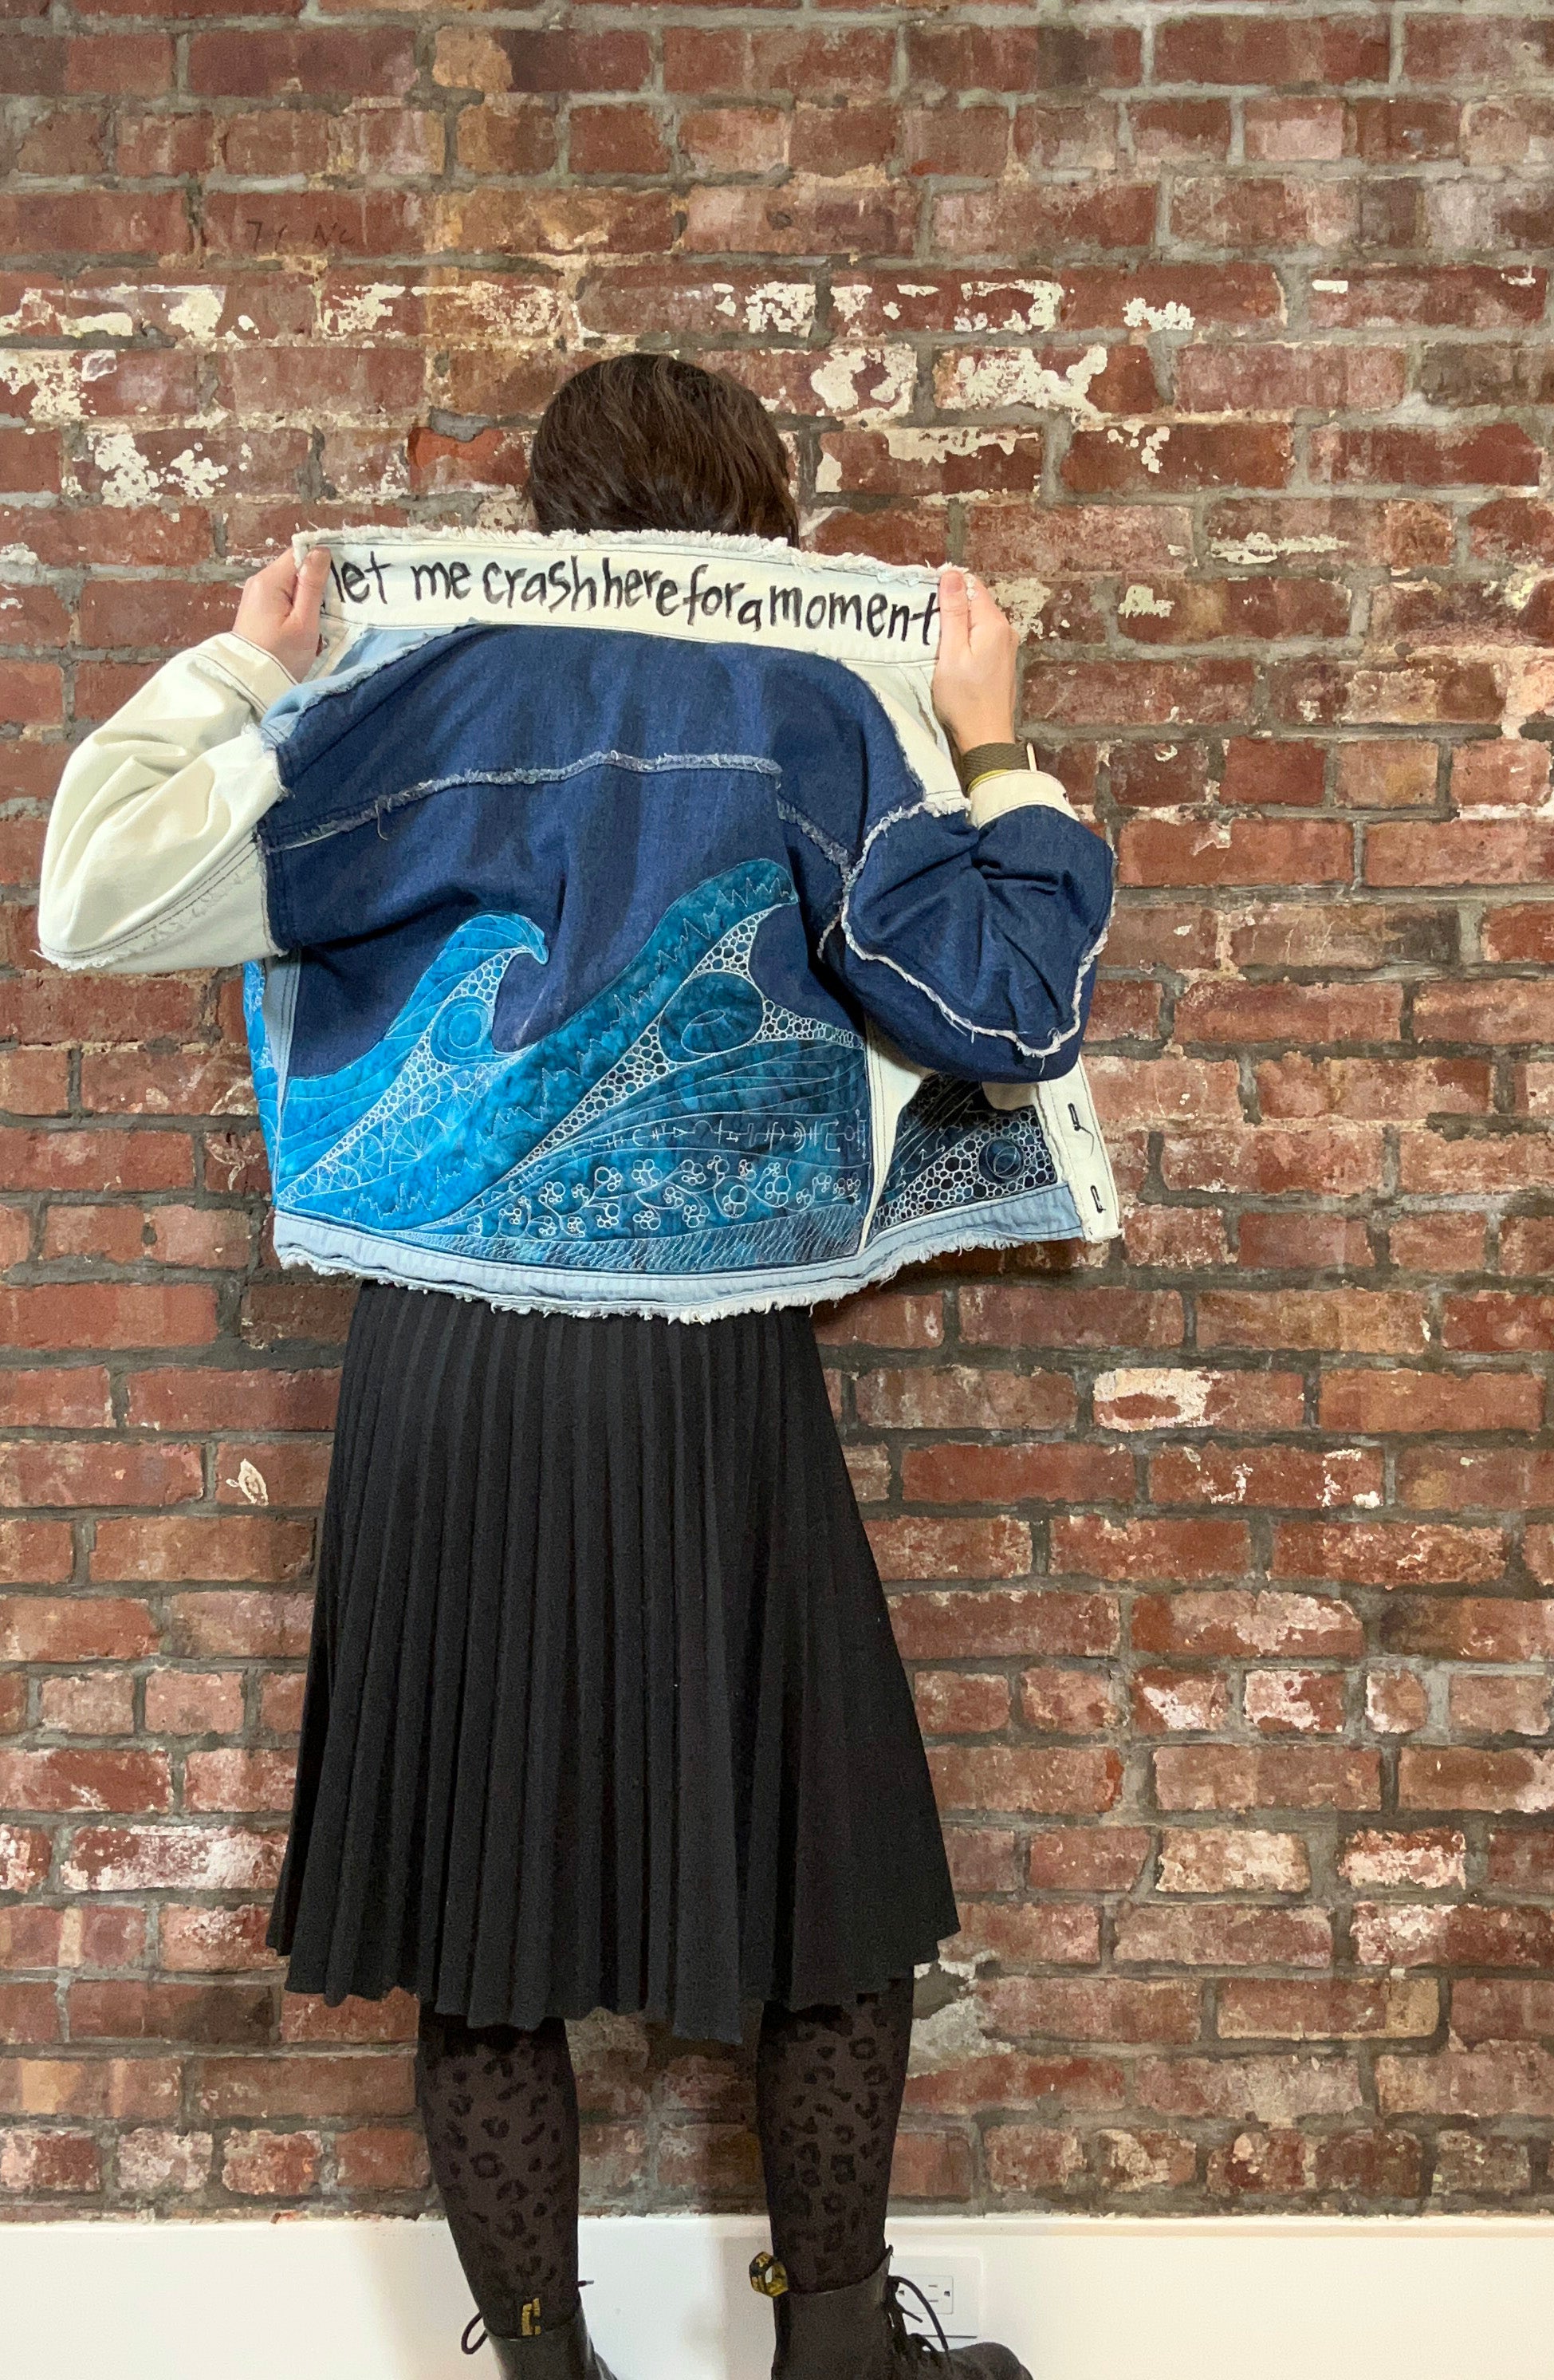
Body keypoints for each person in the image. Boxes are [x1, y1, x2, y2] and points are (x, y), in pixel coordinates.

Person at [38, 353, 1118, 2380]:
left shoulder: (415, 699)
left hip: (442, 1371)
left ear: (549, 513)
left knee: (483, 1907)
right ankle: (835, 2362)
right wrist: (992, 744)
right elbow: (1006, 1006)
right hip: (705, 1376)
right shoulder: (815, 708)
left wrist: (243, 669)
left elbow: (94, 892)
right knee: (825, 1869)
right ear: (760, 516)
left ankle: (547, 2372)